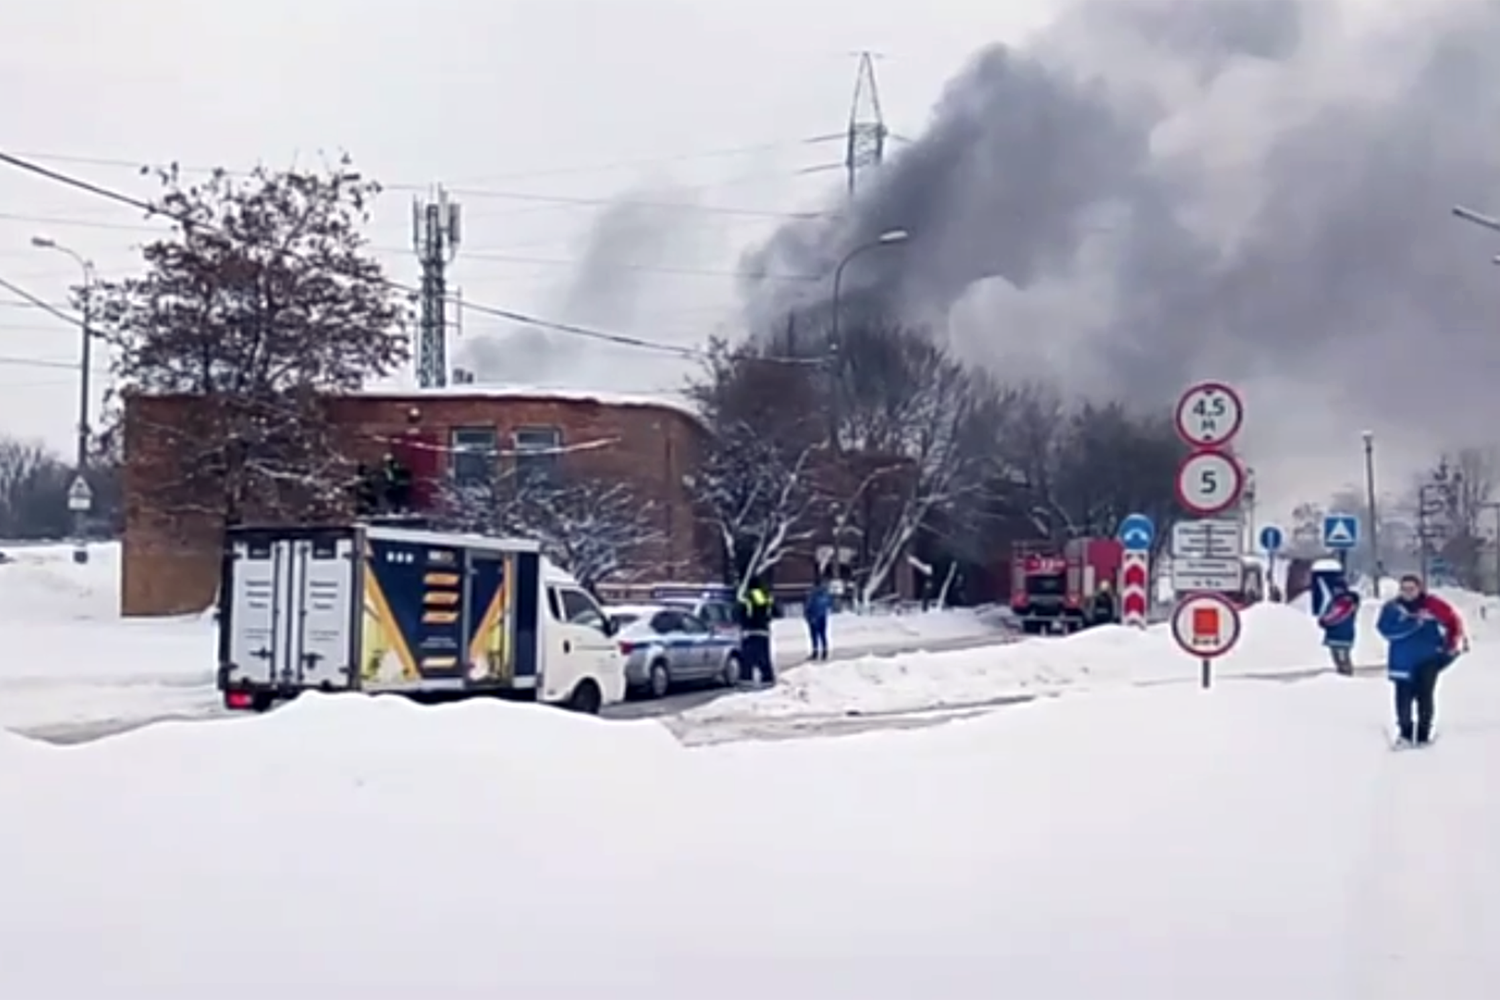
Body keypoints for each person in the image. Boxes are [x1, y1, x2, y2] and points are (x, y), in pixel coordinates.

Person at [1376, 573, 1465, 747]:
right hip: (1401, 662)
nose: (1408, 592)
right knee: (1403, 700)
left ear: (1420, 589)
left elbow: (1453, 621)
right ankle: (1405, 734)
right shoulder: (1392, 608)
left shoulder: (1433, 605)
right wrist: (1413, 623)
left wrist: (1450, 644)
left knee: (1425, 697)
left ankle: (1424, 735)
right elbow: (1385, 630)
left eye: (1412, 589)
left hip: (1428, 659)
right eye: (1404, 589)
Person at [1315, 572, 1360, 675]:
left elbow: (1337, 615)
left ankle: (1346, 676)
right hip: (1339, 634)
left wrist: (1324, 621)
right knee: (1339, 659)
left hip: (1341, 634)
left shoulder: (1345, 601)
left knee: (1342, 659)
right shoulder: (1338, 600)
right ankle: (1344, 675)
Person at [738, 576, 776, 686]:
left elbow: (741, 613)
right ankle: (767, 678)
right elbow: (775, 612)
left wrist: (744, 625)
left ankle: (746, 678)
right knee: (764, 656)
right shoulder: (766, 597)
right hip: (764, 631)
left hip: (750, 631)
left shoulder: (747, 597)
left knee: (748, 657)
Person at [804, 578, 833, 661]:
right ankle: (824, 652)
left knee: (814, 636)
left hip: (814, 616)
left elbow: (809, 605)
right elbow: (829, 604)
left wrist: (807, 615)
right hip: (823, 616)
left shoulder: (813, 594)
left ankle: (815, 653)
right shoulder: (826, 593)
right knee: (823, 635)